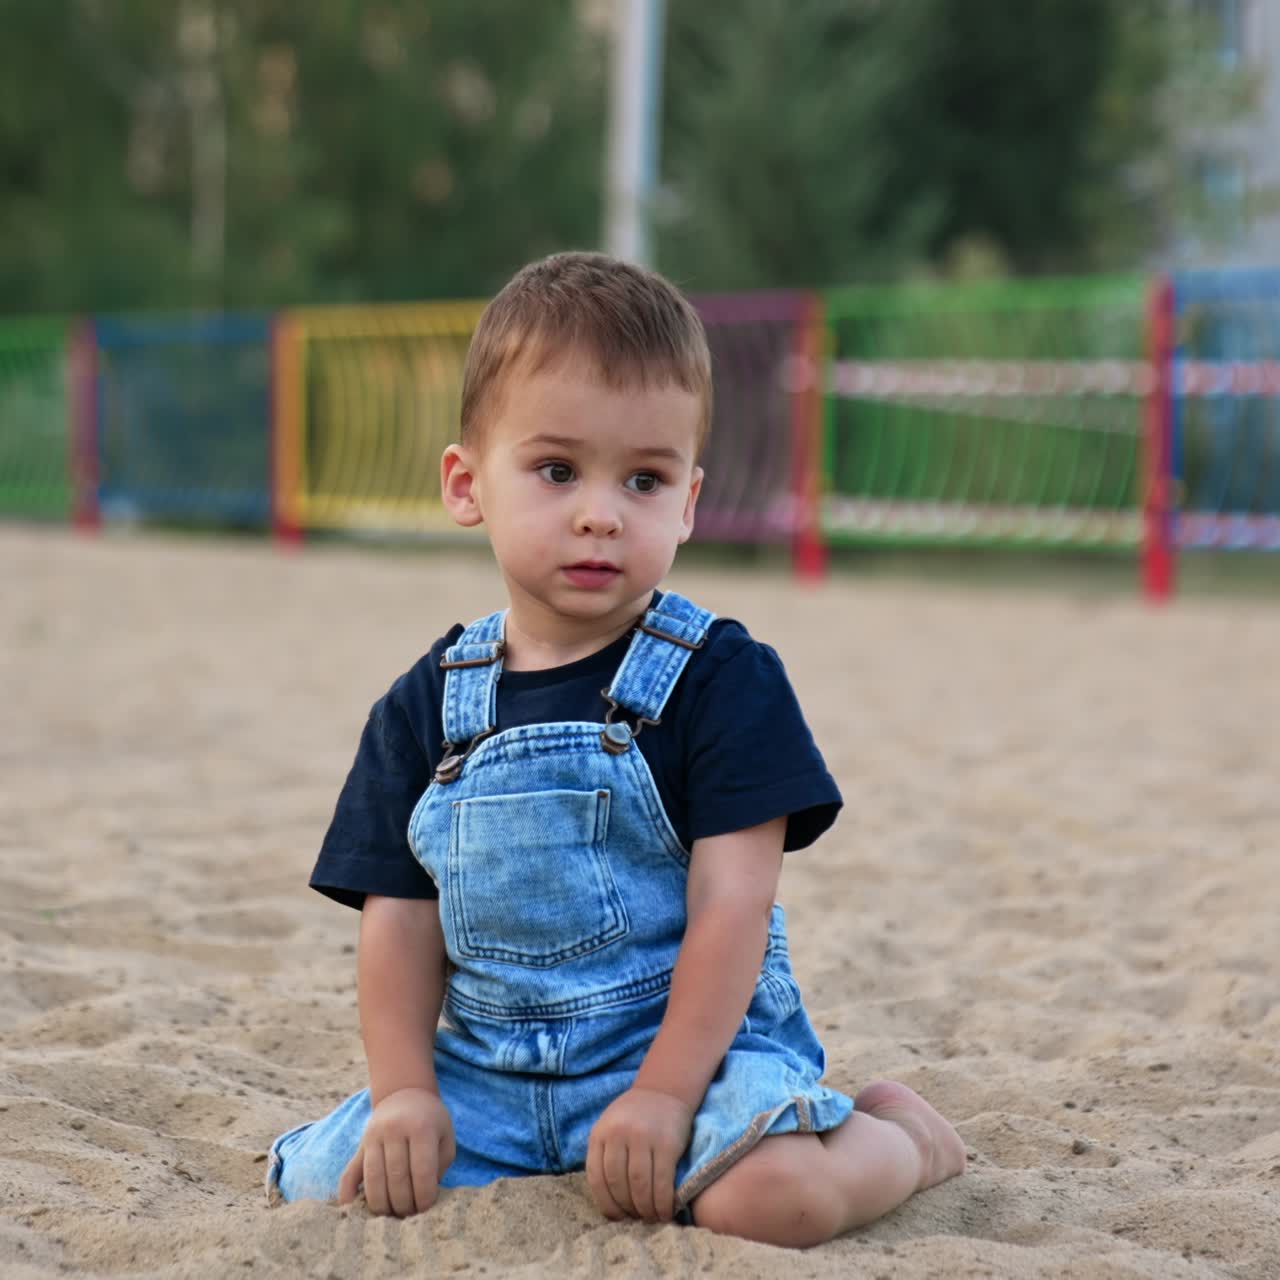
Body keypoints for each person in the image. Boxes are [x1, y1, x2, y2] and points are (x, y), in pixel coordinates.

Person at [267, 251, 965, 1247]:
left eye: (644, 478)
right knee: (329, 1178)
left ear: (686, 503)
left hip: (686, 1047)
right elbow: (398, 922)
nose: (601, 510)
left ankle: (903, 1140)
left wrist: (663, 1094)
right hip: (492, 1071)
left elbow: (733, 904)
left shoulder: (720, 677)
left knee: (765, 1201)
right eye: (556, 470)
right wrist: (405, 1092)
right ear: (466, 484)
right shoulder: (424, 706)